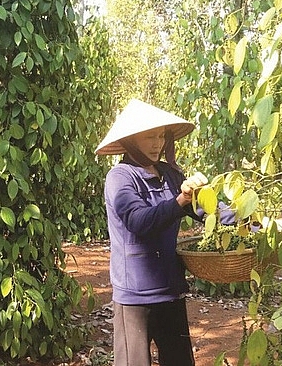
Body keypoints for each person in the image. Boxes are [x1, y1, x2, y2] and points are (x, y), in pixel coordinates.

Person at [95, 98, 235, 366]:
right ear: (132, 140)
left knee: (180, 361)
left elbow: (210, 210)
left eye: (161, 136)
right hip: (135, 296)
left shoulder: (171, 176)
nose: (157, 143)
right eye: (149, 137)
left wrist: (251, 221)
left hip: (170, 289)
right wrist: (180, 201)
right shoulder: (121, 177)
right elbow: (140, 221)